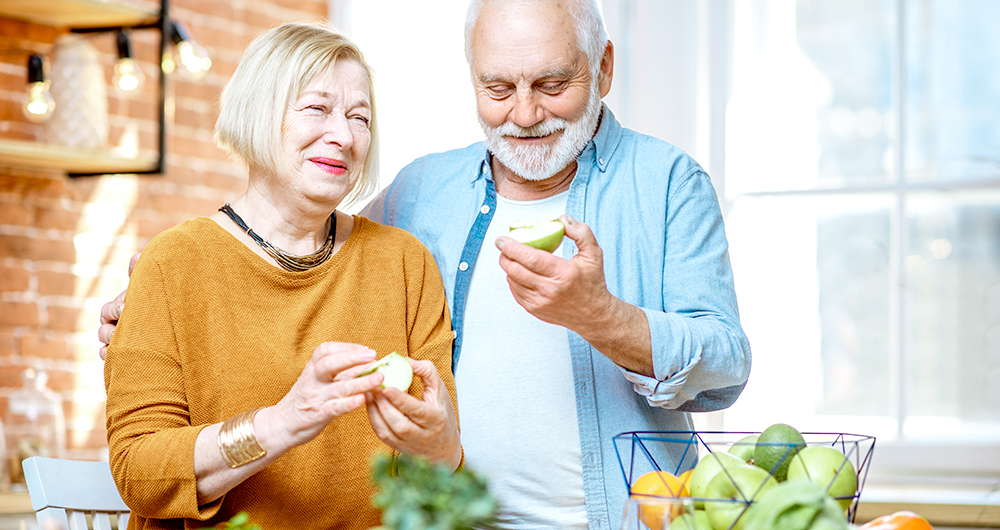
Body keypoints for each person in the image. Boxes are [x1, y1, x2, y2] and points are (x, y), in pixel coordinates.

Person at [101, 1, 751, 528]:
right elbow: (283, 238)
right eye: (498, 87)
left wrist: (601, 317)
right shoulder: (421, 195)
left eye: (552, 84)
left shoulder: (667, 184)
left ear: (603, 69)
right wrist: (147, 324)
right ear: (471, 79)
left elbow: (725, 365)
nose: (524, 114)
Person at [103, 23, 461, 530]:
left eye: (360, 117)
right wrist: (284, 422)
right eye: (317, 108)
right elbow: (139, 471)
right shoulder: (172, 263)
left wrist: (439, 441)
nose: (343, 135)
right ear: (257, 112)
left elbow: (438, 476)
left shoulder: (403, 263)